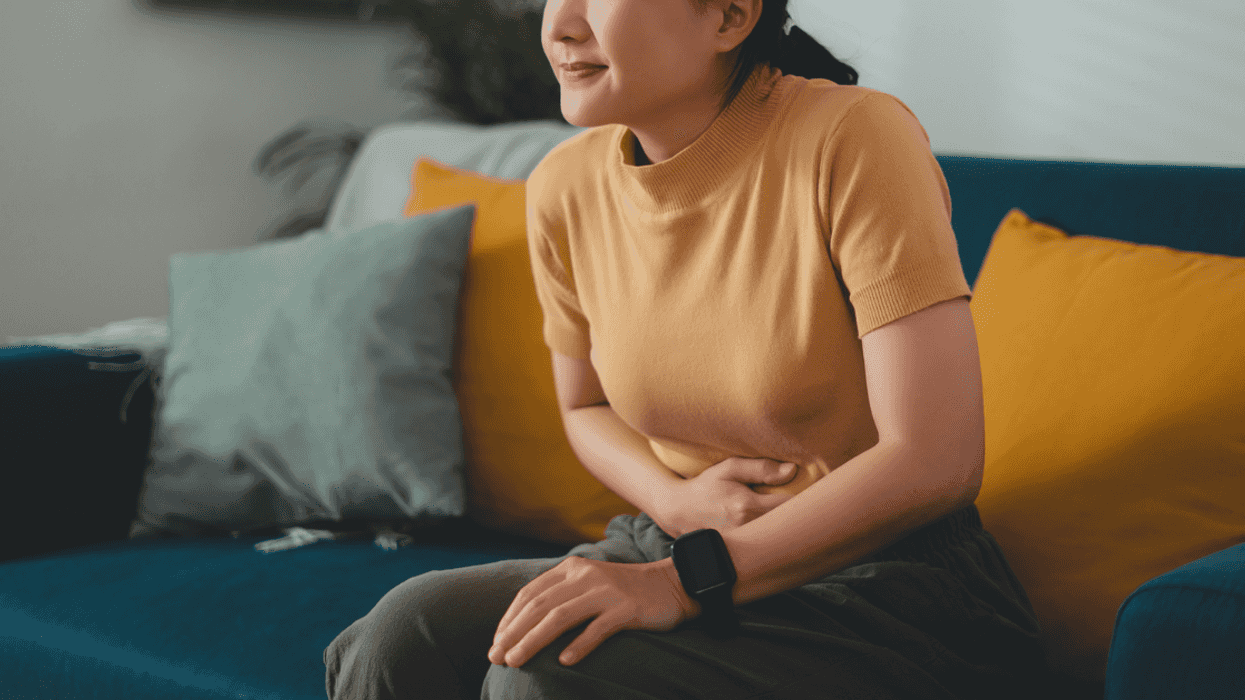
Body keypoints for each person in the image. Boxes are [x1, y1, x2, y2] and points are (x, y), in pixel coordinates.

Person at [324, 0, 1052, 698]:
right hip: (675, 541)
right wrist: (675, 502)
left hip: (879, 578)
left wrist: (683, 581)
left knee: (546, 674)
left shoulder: (853, 138)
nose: (562, 25)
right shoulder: (562, 186)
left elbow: (936, 459)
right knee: (397, 636)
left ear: (730, 16)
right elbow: (585, 405)